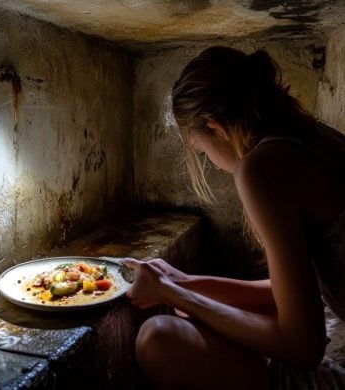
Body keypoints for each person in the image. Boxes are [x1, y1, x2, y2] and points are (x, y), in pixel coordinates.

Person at [123, 46, 345, 389]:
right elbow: (294, 294)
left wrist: (178, 296)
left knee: (159, 340)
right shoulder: (314, 138)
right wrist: (181, 282)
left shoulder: (262, 167)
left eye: (202, 150)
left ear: (216, 127)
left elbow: (304, 348)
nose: (211, 161)